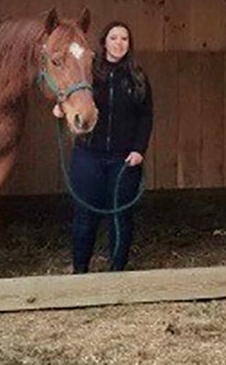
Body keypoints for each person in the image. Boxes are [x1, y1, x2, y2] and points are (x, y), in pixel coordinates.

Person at [70, 20, 154, 273]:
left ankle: (117, 272)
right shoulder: (89, 72)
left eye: (124, 39)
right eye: (114, 38)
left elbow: (146, 116)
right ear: (104, 42)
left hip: (123, 158)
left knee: (120, 217)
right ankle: (80, 271)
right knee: (85, 216)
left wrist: (139, 149)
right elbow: (71, 93)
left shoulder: (137, 77)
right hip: (88, 154)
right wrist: (60, 107)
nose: (119, 43)